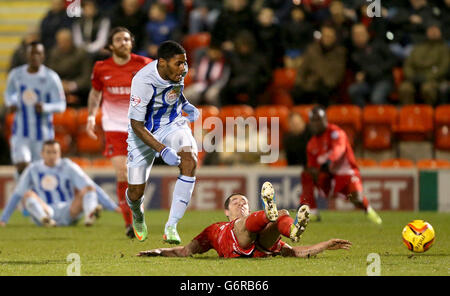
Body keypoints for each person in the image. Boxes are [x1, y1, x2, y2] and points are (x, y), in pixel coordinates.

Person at [137, 182, 352, 258]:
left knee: (281, 216)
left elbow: (295, 252)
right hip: (237, 242)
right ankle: (272, 214)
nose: (241, 204)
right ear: (226, 212)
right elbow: (185, 251)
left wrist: (325, 245)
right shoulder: (215, 229)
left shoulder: (255, 223)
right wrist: (158, 252)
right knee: (249, 223)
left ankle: (293, 230)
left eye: (245, 202)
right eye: (236, 202)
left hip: (261, 245)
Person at [126, 40, 199, 244]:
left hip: (172, 123)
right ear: (162, 63)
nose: (183, 68)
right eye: (179, 64)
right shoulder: (143, 80)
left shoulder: (178, 72)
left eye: (185, 63)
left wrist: (186, 104)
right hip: (143, 132)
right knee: (135, 192)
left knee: (190, 159)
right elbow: (136, 124)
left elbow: (174, 90)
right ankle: (137, 214)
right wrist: (162, 149)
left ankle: (172, 226)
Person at [86, 26, 152, 238]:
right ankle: (130, 223)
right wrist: (90, 116)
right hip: (114, 127)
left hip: (139, 127)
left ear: (131, 43)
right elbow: (95, 93)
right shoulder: (101, 67)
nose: (123, 42)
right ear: (111, 45)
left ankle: (136, 211)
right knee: (122, 172)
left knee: (136, 177)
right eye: (118, 39)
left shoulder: (144, 65)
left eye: (127, 39)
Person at [0, 140, 119, 227]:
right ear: (42, 153)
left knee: (89, 188)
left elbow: (90, 186)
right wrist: (3, 219)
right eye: (48, 152)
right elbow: (17, 194)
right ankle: (45, 219)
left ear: (60, 153)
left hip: (68, 210)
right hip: (45, 208)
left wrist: (112, 207)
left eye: (55, 152)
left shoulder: (68, 165)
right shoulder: (33, 169)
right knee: (27, 194)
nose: (52, 155)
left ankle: (89, 216)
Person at [299, 106, 382, 224]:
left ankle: (368, 210)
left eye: (319, 120)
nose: (316, 124)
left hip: (346, 173)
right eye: (314, 121)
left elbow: (339, 149)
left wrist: (329, 161)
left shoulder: (336, 133)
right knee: (307, 174)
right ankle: (312, 211)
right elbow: (313, 165)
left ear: (325, 120)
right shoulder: (311, 144)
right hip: (327, 176)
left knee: (356, 198)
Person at [4, 41, 66, 176]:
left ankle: (36, 196)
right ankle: (23, 196)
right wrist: (11, 103)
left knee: (42, 172)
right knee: (22, 167)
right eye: (32, 53)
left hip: (43, 135)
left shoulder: (51, 77)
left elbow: (61, 105)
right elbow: (9, 94)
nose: (35, 56)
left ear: (43, 56)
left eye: (38, 53)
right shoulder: (16, 75)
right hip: (21, 133)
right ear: (27, 56)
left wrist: (45, 107)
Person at [398, 24, 449, 105]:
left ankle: (429, 114)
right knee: (405, 88)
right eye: (431, 30)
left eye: (435, 30)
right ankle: (409, 114)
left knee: (427, 89)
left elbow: (444, 68)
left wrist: (427, 77)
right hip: (415, 78)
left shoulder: (445, 48)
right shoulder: (417, 48)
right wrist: (412, 77)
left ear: (440, 32)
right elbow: (408, 65)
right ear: (427, 32)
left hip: (435, 79)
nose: (433, 32)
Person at [348, 23, 397, 107]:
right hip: (368, 82)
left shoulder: (378, 44)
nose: (358, 37)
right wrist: (359, 74)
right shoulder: (352, 52)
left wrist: (379, 69)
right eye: (355, 35)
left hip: (384, 79)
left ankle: (388, 113)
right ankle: (364, 115)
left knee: (376, 98)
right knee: (353, 90)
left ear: (367, 34)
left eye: (361, 34)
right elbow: (356, 69)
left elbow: (393, 60)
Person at [47, 28, 92, 106]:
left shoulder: (82, 53)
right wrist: (59, 84)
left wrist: (71, 86)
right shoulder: (54, 53)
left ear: (71, 41)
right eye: (59, 42)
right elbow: (50, 74)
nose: (62, 45)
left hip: (79, 90)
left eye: (65, 41)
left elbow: (86, 77)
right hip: (59, 88)